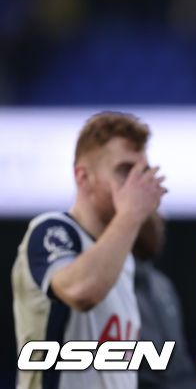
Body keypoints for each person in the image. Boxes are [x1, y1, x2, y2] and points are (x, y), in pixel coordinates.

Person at [12, 112, 166, 389]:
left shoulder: (124, 258)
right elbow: (80, 291)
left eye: (142, 172)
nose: (136, 185)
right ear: (83, 177)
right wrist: (131, 214)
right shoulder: (53, 230)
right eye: (124, 170)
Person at [132, 213, 196, 389]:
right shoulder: (105, 285)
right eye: (154, 209)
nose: (162, 218)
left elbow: (179, 371)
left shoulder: (161, 285)